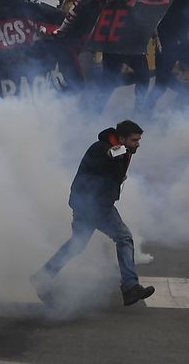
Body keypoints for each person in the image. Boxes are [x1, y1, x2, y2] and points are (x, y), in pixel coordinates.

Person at [30, 120, 155, 307]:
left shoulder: (121, 150)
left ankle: (43, 276)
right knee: (124, 238)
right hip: (95, 205)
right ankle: (130, 287)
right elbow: (104, 158)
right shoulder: (103, 148)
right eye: (134, 140)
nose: (138, 143)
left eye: (138, 140)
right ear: (121, 138)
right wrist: (113, 157)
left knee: (77, 244)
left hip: (87, 203)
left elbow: (110, 171)